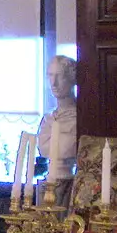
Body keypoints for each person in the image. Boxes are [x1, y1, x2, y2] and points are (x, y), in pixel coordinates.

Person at [35, 54, 79, 184]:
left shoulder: (79, 119)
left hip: (69, 181)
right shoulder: (47, 119)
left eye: (60, 76)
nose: (54, 83)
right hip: (49, 180)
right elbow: (43, 149)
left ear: (72, 79)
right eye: (50, 75)